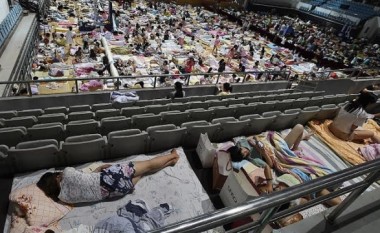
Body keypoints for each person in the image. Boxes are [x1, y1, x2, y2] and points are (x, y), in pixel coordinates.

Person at [37, 149, 180, 204]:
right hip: (110, 177)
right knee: (148, 164)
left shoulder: (63, 198)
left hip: (115, 191)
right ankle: (174, 155)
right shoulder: (67, 173)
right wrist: (100, 169)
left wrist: (98, 169)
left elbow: (85, 184)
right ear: (55, 178)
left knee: (145, 172)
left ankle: (169, 163)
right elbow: (82, 177)